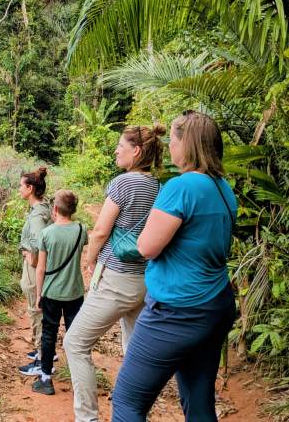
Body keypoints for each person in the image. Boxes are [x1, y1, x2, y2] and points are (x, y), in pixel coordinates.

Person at [112, 111, 237, 421]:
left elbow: (147, 247)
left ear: (188, 144)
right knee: (198, 399)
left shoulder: (181, 187)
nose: (169, 146)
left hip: (176, 310)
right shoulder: (224, 188)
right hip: (215, 305)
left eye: (174, 139)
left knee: (127, 402)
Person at [64, 124, 165, 421]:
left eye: (121, 146)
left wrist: (90, 261)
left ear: (136, 151)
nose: (116, 150)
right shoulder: (157, 187)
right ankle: (133, 414)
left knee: (75, 342)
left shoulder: (123, 183)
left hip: (117, 278)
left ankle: (87, 418)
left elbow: (100, 231)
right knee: (134, 354)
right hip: (144, 279)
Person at [32, 189, 88, 396]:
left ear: (55, 209)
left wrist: (39, 294)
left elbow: (41, 268)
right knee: (75, 334)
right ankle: (79, 379)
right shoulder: (82, 230)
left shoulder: (47, 233)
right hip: (75, 292)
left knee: (49, 333)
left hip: (51, 292)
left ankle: (46, 378)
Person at [17, 167, 52, 377]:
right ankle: (44, 351)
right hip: (36, 266)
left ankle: (42, 358)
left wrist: (34, 258)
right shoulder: (43, 207)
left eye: (21, 186)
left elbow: (41, 241)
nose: (19, 189)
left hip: (34, 269)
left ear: (30, 188)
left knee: (36, 309)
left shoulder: (38, 215)